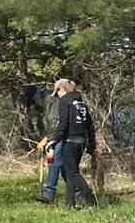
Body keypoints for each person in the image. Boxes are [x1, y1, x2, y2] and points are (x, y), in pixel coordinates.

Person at [36, 79, 97, 209]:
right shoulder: (81, 103)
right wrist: (91, 142)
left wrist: (53, 140)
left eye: (57, 93)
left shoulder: (65, 101)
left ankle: (91, 201)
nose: (57, 96)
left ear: (61, 89)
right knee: (69, 172)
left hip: (70, 141)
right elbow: (90, 125)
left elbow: (63, 124)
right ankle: (70, 203)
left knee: (73, 173)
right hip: (81, 141)